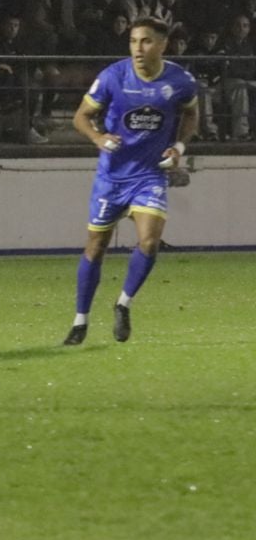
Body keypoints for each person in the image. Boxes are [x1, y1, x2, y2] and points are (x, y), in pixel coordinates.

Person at [63, 18, 199, 346]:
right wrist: (98, 138)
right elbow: (80, 117)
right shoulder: (113, 77)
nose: (138, 49)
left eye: (146, 41)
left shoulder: (180, 81)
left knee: (149, 241)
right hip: (111, 177)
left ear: (163, 45)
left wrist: (178, 147)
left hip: (149, 175)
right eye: (134, 41)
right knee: (96, 248)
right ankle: (80, 321)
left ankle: (123, 303)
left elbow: (192, 115)